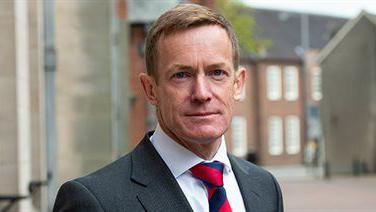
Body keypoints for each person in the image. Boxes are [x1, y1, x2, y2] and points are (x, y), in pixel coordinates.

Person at [53, 4, 283, 212]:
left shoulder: (265, 188)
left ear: (238, 84)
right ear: (151, 89)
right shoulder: (94, 201)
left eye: (217, 73)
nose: (202, 93)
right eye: (181, 75)